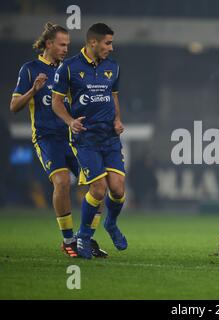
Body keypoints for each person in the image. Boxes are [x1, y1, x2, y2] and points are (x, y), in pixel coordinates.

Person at [10, 22, 107, 258]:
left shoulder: (70, 69)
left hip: (73, 137)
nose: (66, 49)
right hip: (47, 138)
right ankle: (68, 241)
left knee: (99, 185)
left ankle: (85, 239)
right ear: (49, 44)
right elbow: (14, 107)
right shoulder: (30, 69)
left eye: (68, 45)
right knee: (62, 182)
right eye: (62, 45)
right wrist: (33, 90)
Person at [52, 23, 127, 259]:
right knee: (98, 187)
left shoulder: (113, 67)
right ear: (93, 42)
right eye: (107, 43)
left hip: (110, 137)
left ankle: (111, 224)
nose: (111, 48)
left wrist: (117, 120)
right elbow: (56, 102)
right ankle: (83, 237)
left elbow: (112, 97)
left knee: (118, 189)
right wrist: (69, 121)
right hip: (85, 138)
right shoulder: (68, 68)